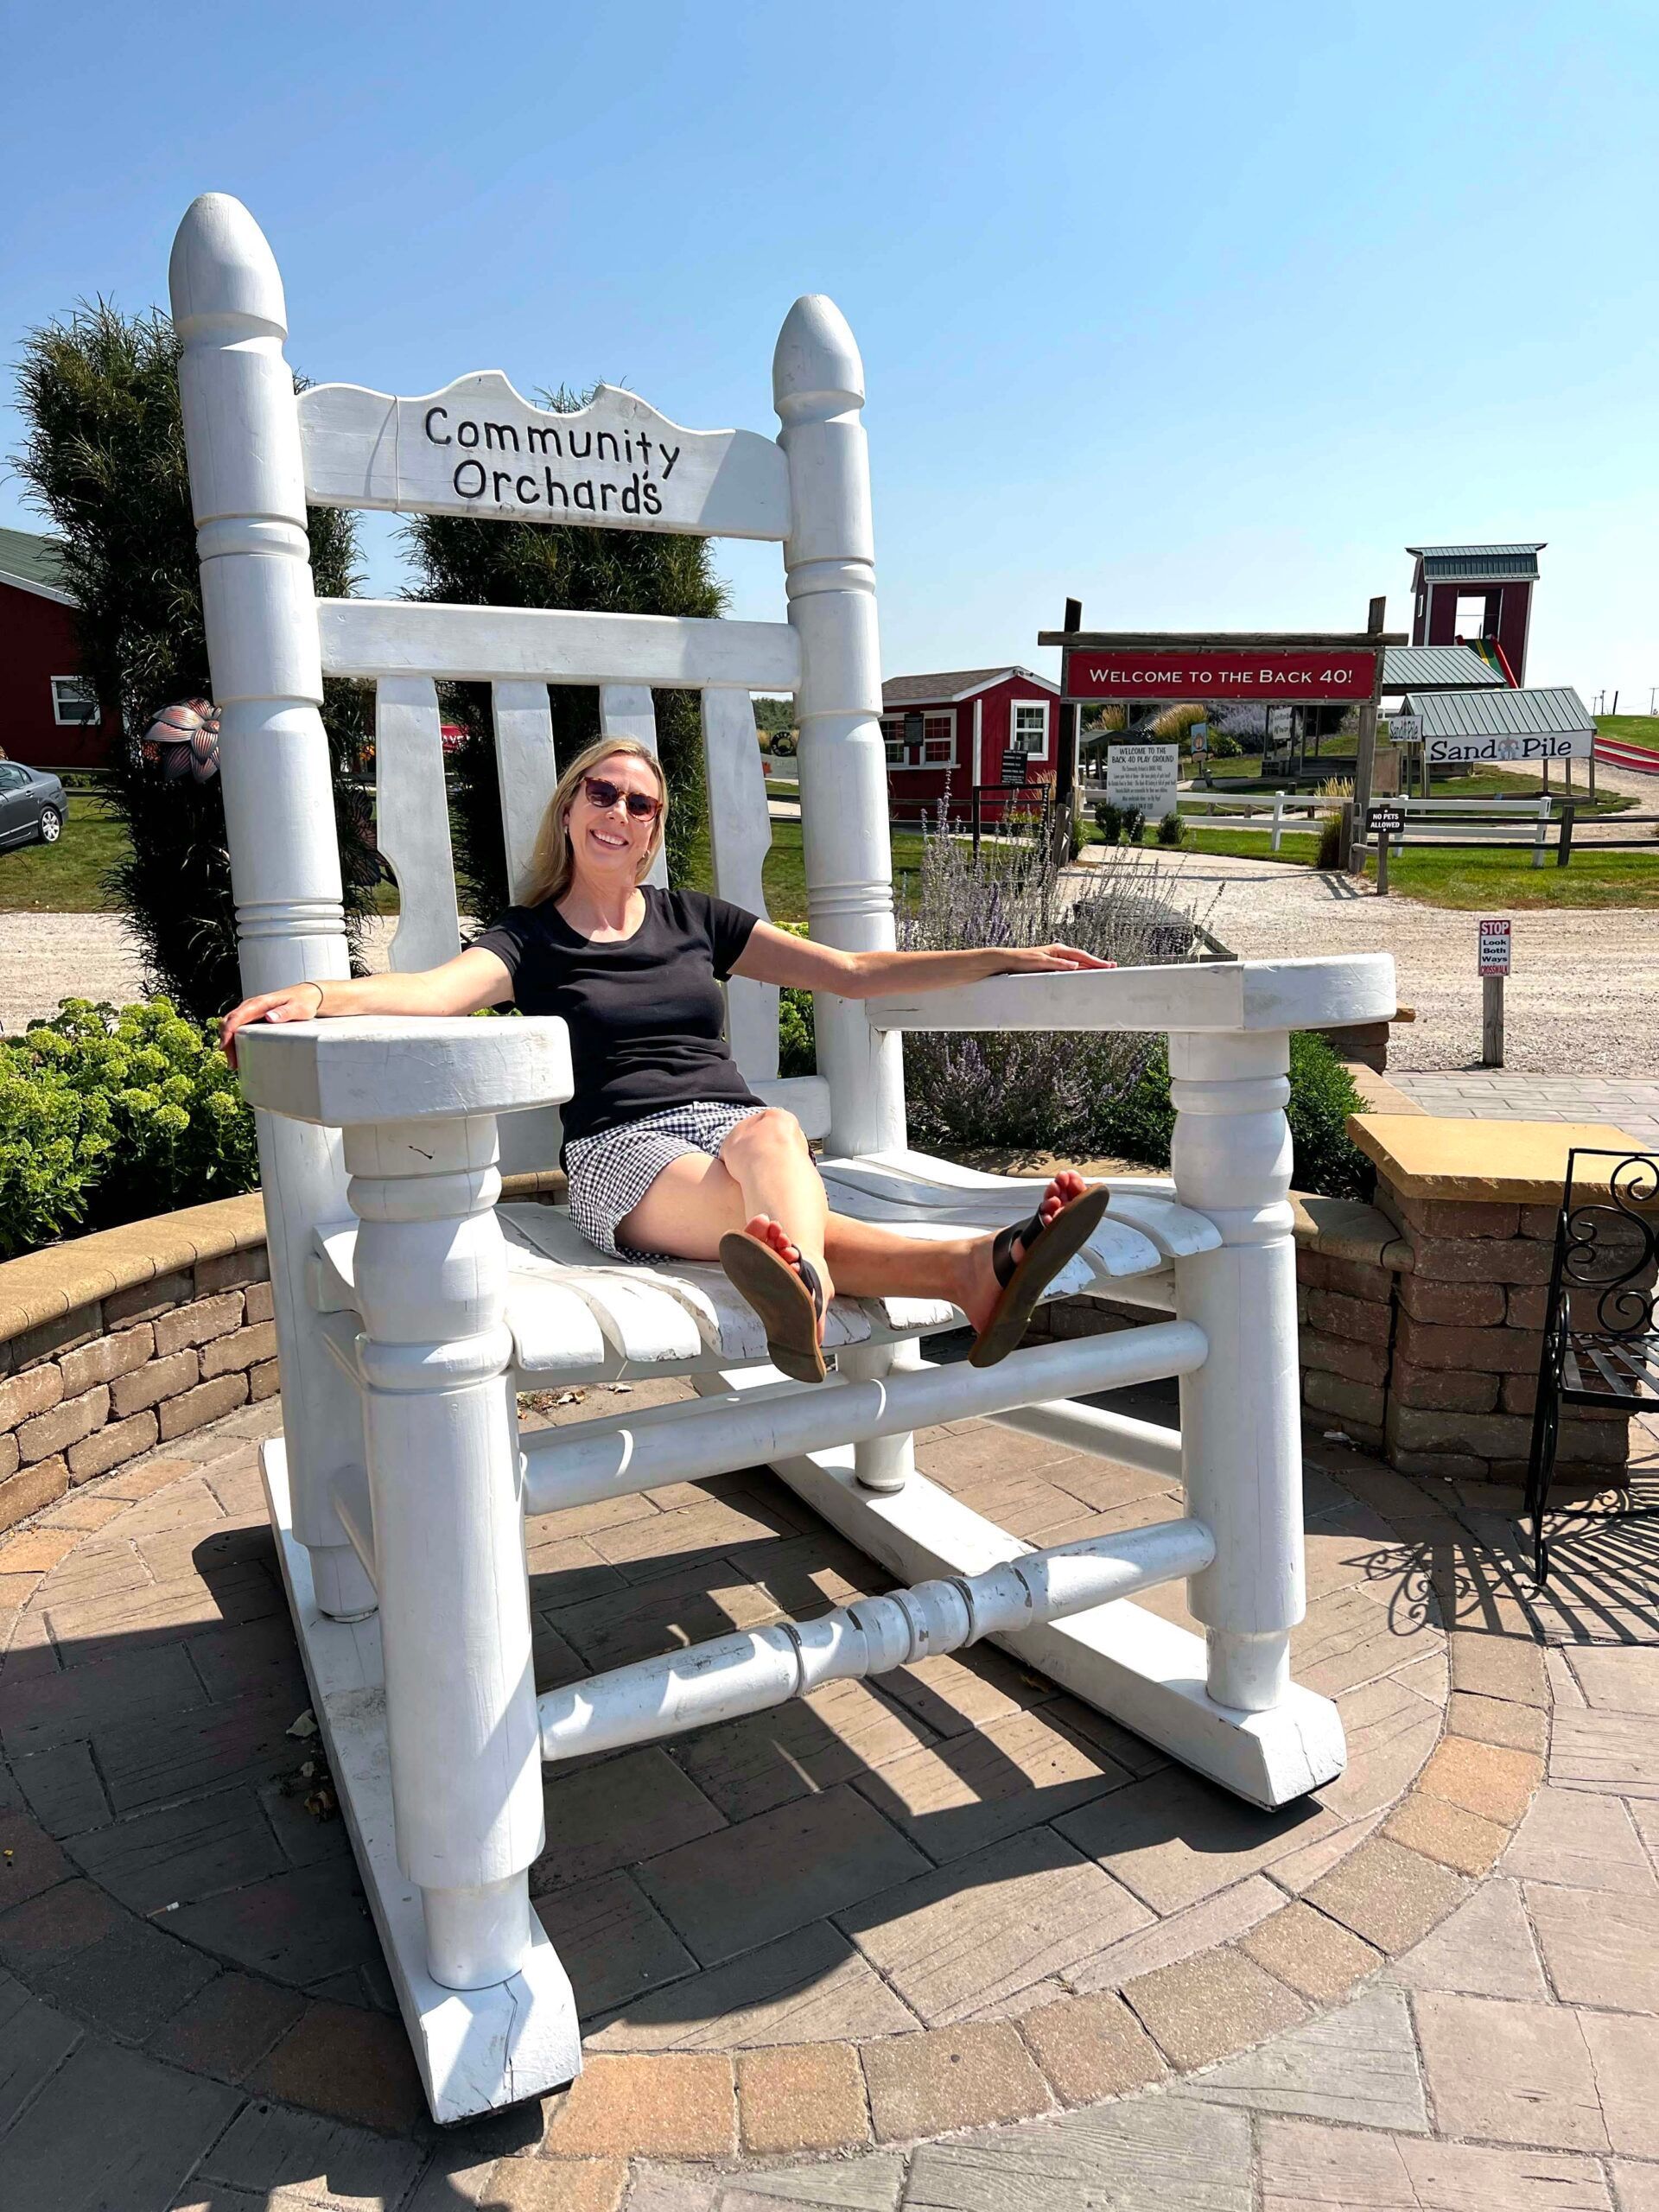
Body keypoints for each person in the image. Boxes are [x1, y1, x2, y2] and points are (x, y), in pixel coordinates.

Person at [221, 734, 1114, 1383]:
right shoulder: (529, 938)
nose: (617, 812)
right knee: (775, 1168)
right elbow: (431, 992)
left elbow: (849, 972)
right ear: (569, 811)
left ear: (652, 833)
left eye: (638, 803)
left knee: (771, 1137)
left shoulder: (698, 919)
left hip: (734, 1138)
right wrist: (320, 994)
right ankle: (955, 1266)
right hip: (622, 1154)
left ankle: (903, 1278)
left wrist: (999, 956)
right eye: (600, 793)